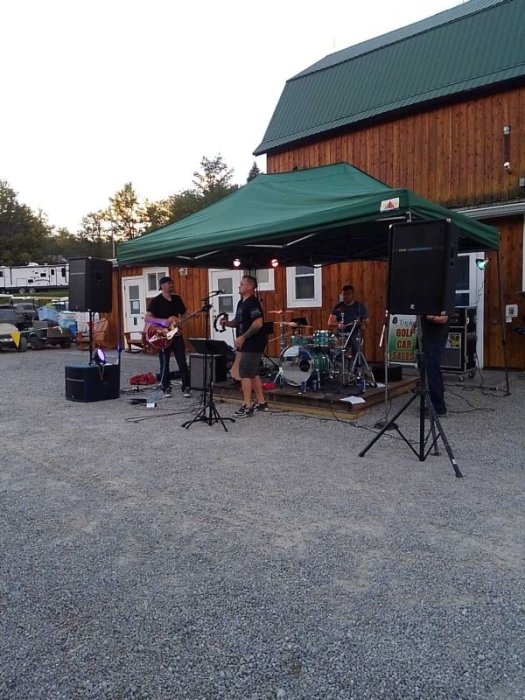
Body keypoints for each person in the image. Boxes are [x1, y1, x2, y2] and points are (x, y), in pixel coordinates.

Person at [221, 275, 268, 418]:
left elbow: (258, 323)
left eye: (242, 284)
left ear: (249, 287)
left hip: (253, 343)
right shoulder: (241, 303)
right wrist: (227, 323)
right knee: (253, 373)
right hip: (247, 343)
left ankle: (247, 406)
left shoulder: (253, 302)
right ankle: (261, 402)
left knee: (245, 373)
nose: (239, 286)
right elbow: (238, 321)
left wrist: (243, 337)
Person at [145, 276, 191, 398]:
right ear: (163, 286)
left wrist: (193, 315)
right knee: (164, 362)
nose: (172, 285)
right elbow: (147, 318)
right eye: (169, 284)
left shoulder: (177, 299)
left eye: (172, 283)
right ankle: (166, 387)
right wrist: (163, 322)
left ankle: (186, 387)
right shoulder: (156, 301)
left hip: (176, 334)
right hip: (163, 336)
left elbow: (184, 313)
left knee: (182, 360)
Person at [327, 284, 369, 357]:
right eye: (344, 294)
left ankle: (356, 365)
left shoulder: (359, 307)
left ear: (353, 294)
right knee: (331, 343)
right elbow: (329, 322)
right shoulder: (338, 307)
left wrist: (362, 324)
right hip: (340, 334)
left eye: (348, 294)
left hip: (354, 334)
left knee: (355, 343)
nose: (346, 296)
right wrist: (338, 324)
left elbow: (367, 321)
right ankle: (337, 363)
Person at [420, 312, 449, 416]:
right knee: (426, 371)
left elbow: (443, 319)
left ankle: (439, 408)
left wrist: (429, 317)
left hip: (436, 339)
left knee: (433, 372)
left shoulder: (446, 297)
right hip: (427, 337)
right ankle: (432, 402)